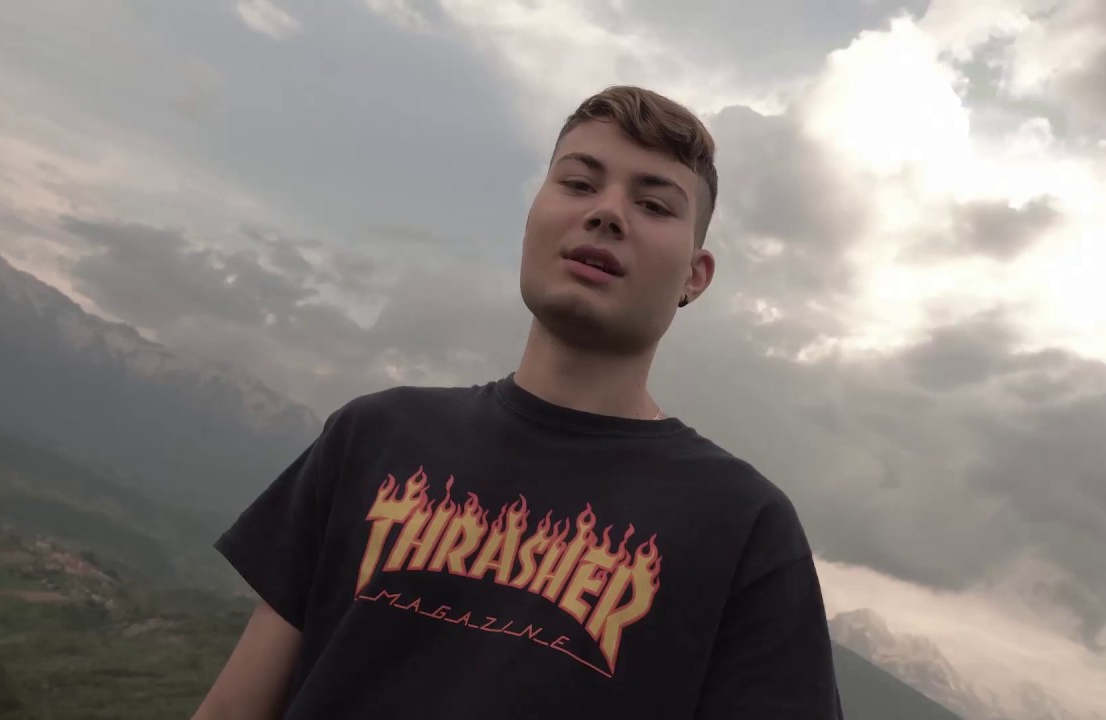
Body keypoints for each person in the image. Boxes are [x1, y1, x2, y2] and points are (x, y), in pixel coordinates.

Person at [192, 85, 844, 720]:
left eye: (653, 204)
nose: (607, 213)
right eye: (579, 184)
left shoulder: (745, 528)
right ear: (534, 218)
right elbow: (234, 705)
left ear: (694, 277)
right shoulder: (372, 435)